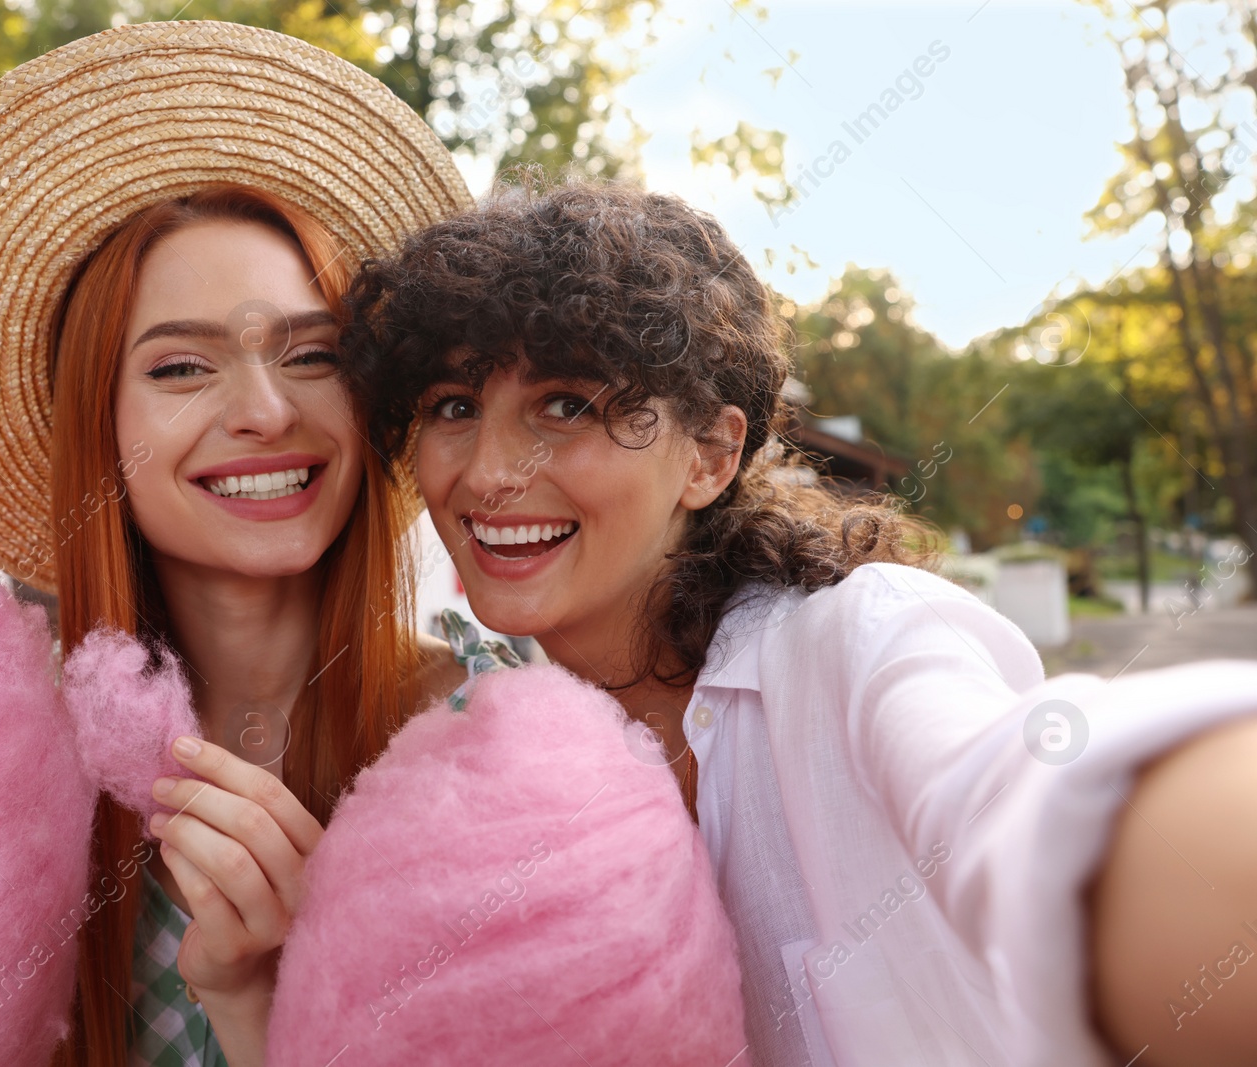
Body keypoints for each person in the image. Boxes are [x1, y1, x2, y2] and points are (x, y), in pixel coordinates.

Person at [343, 176, 1257, 1066]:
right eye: (453, 407)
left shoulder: (862, 641)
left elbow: (1018, 796)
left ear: (710, 455)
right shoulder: (489, 752)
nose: (491, 471)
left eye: (568, 405)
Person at [0, 23, 471, 1066]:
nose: (265, 411)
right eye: (182, 368)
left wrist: (275, 1011)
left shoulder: (487, 733)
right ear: (94, 427)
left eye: (311, 352)